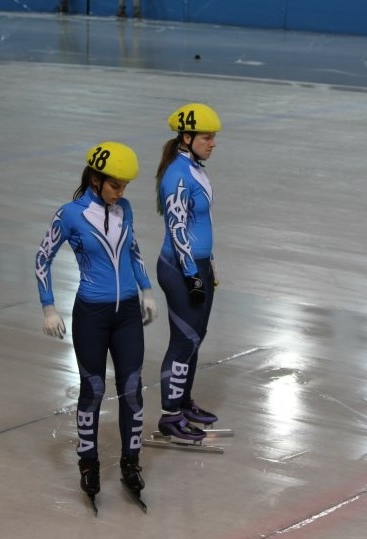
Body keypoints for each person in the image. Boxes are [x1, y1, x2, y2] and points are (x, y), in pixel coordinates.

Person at [35, 141, 157, 504]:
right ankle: (88, 462)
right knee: (93, 391)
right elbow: (42, 257)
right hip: (92, 315)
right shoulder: (70, 214)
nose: (121, 193)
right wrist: (48, 307)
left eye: (125, 187)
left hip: (128, 315)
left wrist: (147, 290)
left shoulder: (126, 208)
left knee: (133, 389)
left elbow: (133, 251)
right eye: (115, 185)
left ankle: (130, 461)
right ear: (94, 179)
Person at [155, 102, 222, 442]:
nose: (213, 143)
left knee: (196, 338)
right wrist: (192, 274)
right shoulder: (177, 176)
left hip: (199, 266)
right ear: (187, 137)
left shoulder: (195, 167)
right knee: (184, 341)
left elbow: (201, 224)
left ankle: (182, 401)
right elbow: (177, 227)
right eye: (207, 138)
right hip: (181, 268)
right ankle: (169, 416)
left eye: (213, 138)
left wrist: (208, 268)